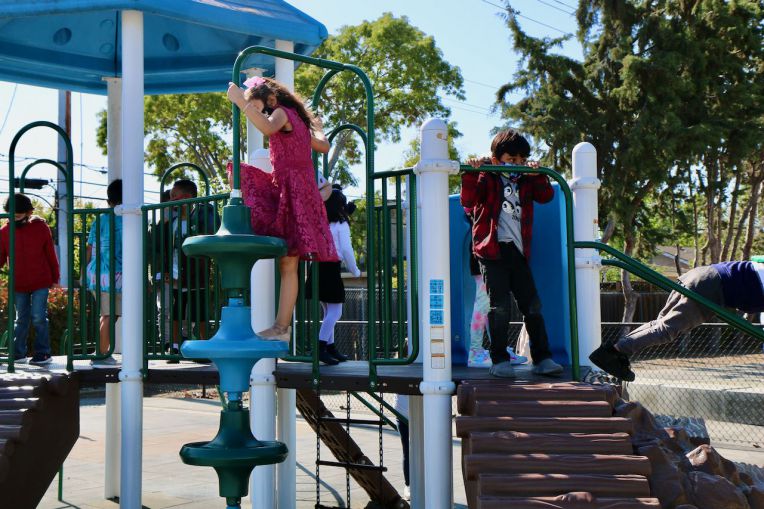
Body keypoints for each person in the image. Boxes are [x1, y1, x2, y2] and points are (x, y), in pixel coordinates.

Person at [226, 76, 338, 341]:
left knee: (244, 178)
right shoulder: (298, 120)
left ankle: (280, 327)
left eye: (260, 106)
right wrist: (319, 127)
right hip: (300, 190)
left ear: (272, 100)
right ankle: (281, 327)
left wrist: (241, 102)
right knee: (289, 263)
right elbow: (323, 145)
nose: (261, 112)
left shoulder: (281, 113)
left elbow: (266, 128)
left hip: (293, 189)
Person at [460, 129, 563, 378]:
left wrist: (538, 175)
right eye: (511, 159)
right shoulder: (489, 176)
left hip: (517, 250)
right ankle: (499, 360)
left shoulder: (526, 180)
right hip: (492, 249)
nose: (516, 164)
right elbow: (469, 198)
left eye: (520, 160)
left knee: (532, 305)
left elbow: (546, 196)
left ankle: (542, 358)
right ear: (496, 159)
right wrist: (474, 172)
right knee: (499, 306)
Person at [590, 261, 764, 382]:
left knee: (659, 324)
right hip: (712, 288)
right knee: (667, 330)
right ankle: (613, 352)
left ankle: (616, 351)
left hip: (700, 275)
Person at [0, 193, 60, 365]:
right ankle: (18, 353)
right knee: (21, 319)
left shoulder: (41, 228)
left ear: (28, 213)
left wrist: (55, 278)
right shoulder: (4, 232)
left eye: (18, 216)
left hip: (41, 281)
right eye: (12, 216)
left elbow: (50, 254)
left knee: (38, 317)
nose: (15, 219)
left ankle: (43, 353)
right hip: (19, 283)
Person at [306, 186, 361, 365]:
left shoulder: (321, 222)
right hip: (330, 267)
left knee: (327, 311)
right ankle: (320, 347)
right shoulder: (341, 224)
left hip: (317, 266)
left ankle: (330, 347)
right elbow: (346, 249)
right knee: (336, 312)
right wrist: (355, 270)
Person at [167, 179, 218, 353]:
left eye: (174, 196)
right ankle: (174, 344)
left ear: (187, 197)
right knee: (177, 308)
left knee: (199, 309)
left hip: (196, 272)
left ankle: (205, 344)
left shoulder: (200, 216)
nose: (171, 200)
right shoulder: (173, 222)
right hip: (177, 272)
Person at [86, 180, 123, 366]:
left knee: (107, 314)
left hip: (95, 272)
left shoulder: (99, 219)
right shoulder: (127, 219)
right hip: (115, 274)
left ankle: (101, 350)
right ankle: (101, 354)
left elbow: (89, 246)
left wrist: (85, 271)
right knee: (110, 315)